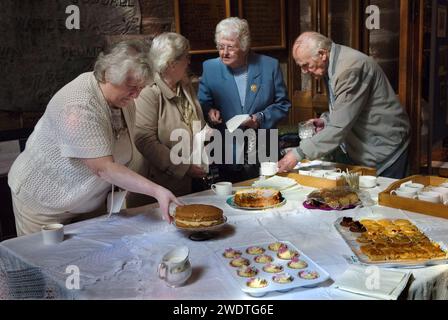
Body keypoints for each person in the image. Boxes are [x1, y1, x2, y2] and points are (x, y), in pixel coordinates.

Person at [8, 40, 181, 236]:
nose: (136, 95)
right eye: (131, 86)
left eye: (141, 88)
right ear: (108, 74)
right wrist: (157, 191)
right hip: (44, 205)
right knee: (45, 263)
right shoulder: (79, 104)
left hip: (87, 202)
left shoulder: (123, 101)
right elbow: (103, 167)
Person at [278, 32, 411, 179]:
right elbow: (348, 109)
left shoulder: (349, 69)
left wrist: (297, 154)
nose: (304, 72)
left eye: (306, 65)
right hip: (369, 149)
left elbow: (338, 127)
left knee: (383, 199)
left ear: (322, 54)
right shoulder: (333, 62)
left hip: (385, 149)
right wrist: (326, 120)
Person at [198, 17, 291, 182]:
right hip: (227, 149)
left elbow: (283, 104)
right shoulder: (210, 67)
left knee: (270, 196)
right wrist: (209, 111)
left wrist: (260, 118)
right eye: (220, 47)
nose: (224, 53)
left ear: (244, 45)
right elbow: (203, 103)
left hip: (264, 145)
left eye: (230, 47)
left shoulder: (269, 66)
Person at [133, 32, 206, 200]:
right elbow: (145, 140)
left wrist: (204, 132)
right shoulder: (148, 92)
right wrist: (185, 167)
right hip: (159, 186)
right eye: (186, 57)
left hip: (188, 183)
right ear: (172, 64)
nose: (189, 61)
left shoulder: (184, 85)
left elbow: (195, 120)